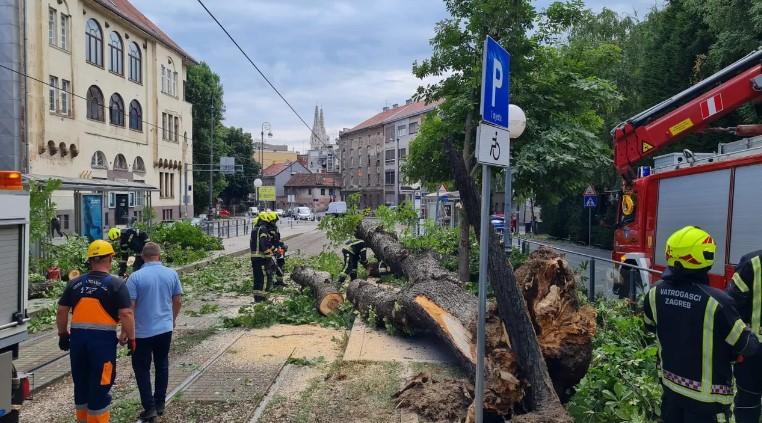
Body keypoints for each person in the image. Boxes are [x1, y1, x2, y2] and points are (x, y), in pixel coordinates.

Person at [643, 226, 761, 422]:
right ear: (707, 257)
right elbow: (747, 345)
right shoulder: (718, 303)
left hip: (671, 391)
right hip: (707, 404)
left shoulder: (654, 293)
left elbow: (649, 327)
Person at [56, 240, 135, 423]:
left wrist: (62, 334)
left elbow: (61, 311)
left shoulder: (74, 283)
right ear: (109, 258)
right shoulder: (116, 284)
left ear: (90, 260)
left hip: (77, 343)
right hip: (102, 345)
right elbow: (126, 313)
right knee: (100, 386)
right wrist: (131, 338)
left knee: (81, 385)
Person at [127, 242, 183, 421]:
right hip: (164, 329)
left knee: (142, 368)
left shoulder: (135, 277)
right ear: (159, 256)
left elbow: (130, 308)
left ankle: (149, 407)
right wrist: (172, 320)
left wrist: (125, 332)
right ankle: (160, 404)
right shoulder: (171, 273)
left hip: (141, 332)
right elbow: (178, 301)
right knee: (162, 364)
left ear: (143, 257)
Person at [726, 250, 762, 423]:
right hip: (752, 350)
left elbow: (731, 306)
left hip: (753, 351)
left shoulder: (753, 263)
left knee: (748, 403)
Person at [250, 212, 275, 301]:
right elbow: (263, 242)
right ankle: (263, 298)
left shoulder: (255, 229)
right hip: (261, 258)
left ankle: (257, 298)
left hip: (254, 258)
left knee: (257, 278)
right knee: (264, 277)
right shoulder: (263, 229)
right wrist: (268, 254)